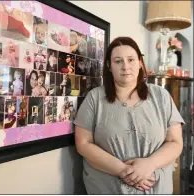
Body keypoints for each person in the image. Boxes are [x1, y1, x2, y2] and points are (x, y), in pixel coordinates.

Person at [73, 37, 184, 194]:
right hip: (107, 189)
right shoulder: (95, 98)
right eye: (118, 61)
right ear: (109, 66)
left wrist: (149, 164)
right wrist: (124, 171)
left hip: (156, 188)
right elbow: (83, 144)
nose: (125, 66)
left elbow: (175, 142)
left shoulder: (161, 96)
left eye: (131, 60)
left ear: (140, 63)